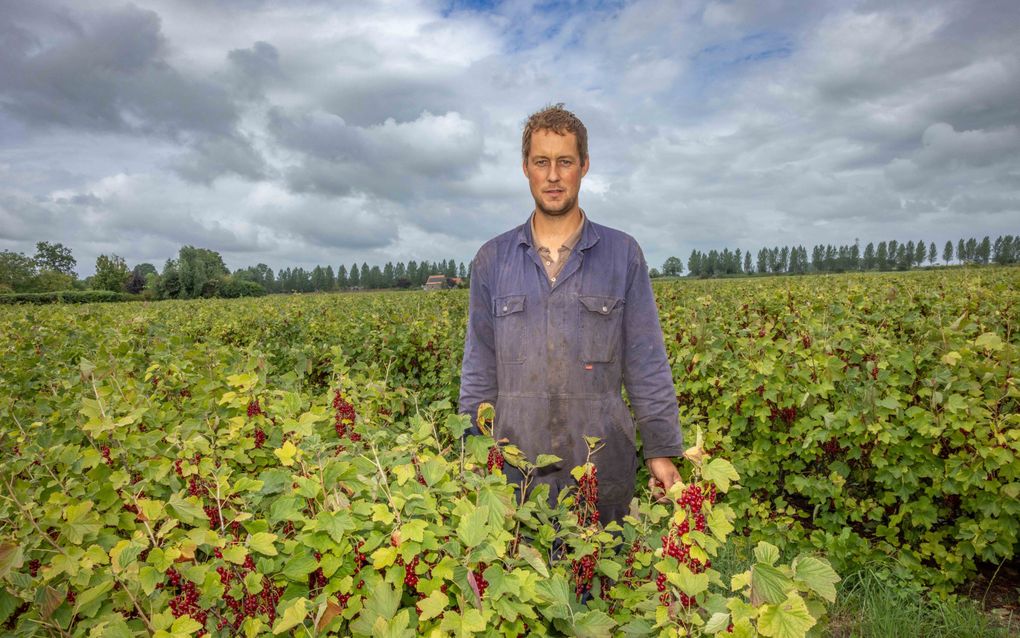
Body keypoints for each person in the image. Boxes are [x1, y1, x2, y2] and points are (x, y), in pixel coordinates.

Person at [458, 104, 684, 525]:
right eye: (542, 162)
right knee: (517, 582)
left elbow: (645, 359)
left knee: (601, 582)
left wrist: (660, 448)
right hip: (514, 470)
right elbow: (479, 366)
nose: (553, 175)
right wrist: (472, 451)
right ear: (525, 167)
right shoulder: (492, 260)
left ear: (584, 166)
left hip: (600, 468)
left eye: (565, 162)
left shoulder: (622, 254)